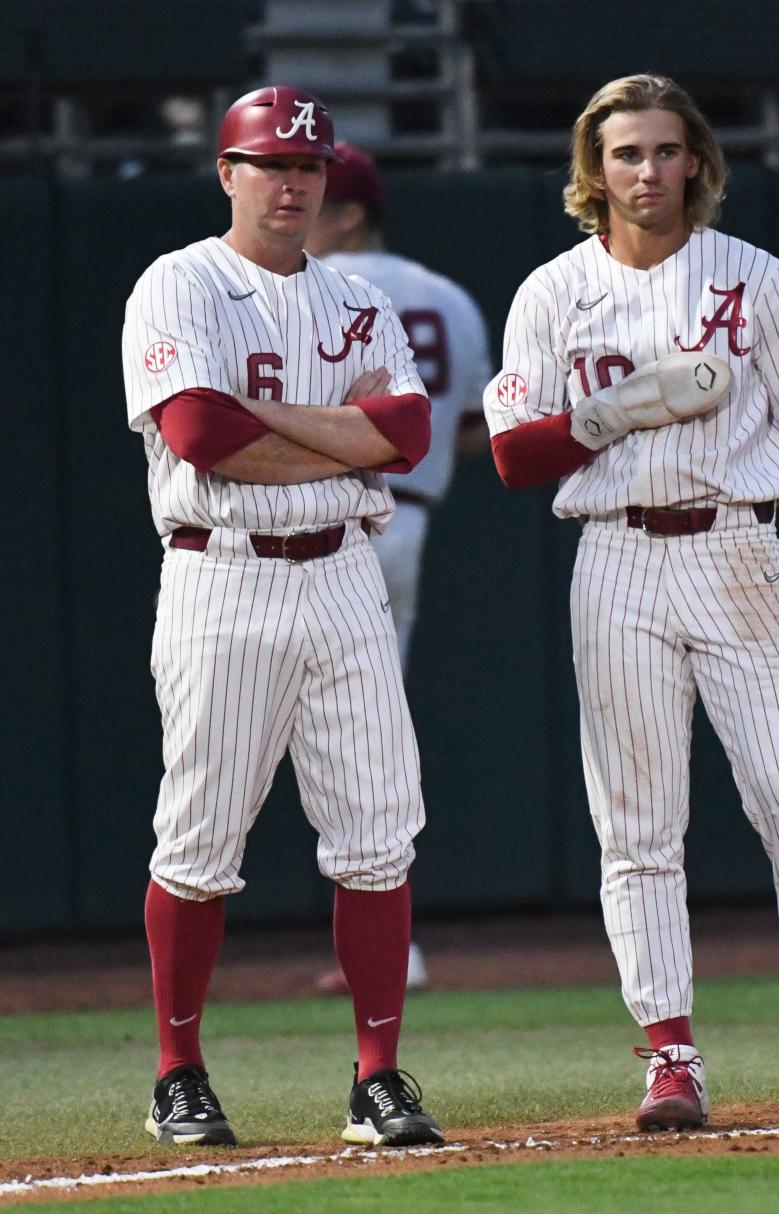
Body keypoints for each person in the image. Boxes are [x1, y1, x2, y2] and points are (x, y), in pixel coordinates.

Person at [482, 74, 779, 1131]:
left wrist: (748, 488)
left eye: (665, 150)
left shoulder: (754, 277)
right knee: (637, 823)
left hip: (733, 547)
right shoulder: (553, 290)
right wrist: (609, 415)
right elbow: (509, 454)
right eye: (625, 152)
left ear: (697, 163)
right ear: (594, 169)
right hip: (616, 553)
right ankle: (670, 1054)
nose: (646, 170)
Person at [121, 85, 444, 1149]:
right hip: (224, 575)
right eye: (270, 165)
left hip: (343, 572)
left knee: (377, 835)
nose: (293, 184)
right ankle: (178, 1068)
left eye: (309, 168)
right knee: (202, 835)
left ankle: (380, 1074)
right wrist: (336, 435)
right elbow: (200, 431)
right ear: (228, 174)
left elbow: (404, 431)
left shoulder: (355, 297)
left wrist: (283, 422)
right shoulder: (181, 282)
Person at [303, 143, 493, 996]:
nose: (292, 205)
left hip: (332, 517)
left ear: (347, 212)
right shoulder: (447, 296)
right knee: (360, 733)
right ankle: (386, 944)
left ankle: (390, 949)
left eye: (310, 194)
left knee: (345, 739)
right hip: (405, 523)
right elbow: (474, 430)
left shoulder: (310, 291)